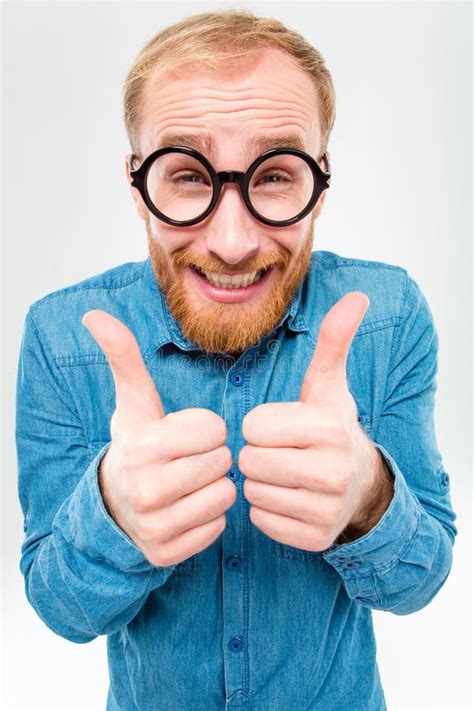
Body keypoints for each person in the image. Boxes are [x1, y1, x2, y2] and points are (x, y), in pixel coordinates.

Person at [15, 9, 457, 711]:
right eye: (187, 175)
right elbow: (60, 609)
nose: (231, 240)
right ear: (137, 187)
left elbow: (422, 579)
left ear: (322, 182)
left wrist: (370, 499)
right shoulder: (63, 336)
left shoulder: (388, 316)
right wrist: (111, 516)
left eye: (276, 176)